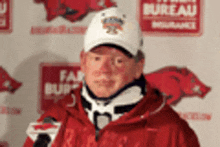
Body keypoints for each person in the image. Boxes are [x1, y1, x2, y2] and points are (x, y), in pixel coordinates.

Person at [23, 7, 200, 147]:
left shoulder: (171, 131)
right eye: (97, 58)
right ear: (84, 62)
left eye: (118, 61)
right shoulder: (54, 119)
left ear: (139, 66)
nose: (104, 69)